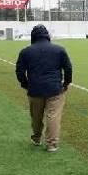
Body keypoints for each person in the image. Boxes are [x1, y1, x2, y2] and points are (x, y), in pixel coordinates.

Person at [14, 24, 72, 152]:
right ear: (47, 36)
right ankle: (51, 144)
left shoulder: (25, 52)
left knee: (36, 116)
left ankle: (36, 138)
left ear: (33, 37)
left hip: (34, 89)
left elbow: (19, 71)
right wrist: (66, 83)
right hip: (55, 89)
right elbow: (68, 68)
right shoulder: (59, 50)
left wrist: (25, 84)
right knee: (53, 116)